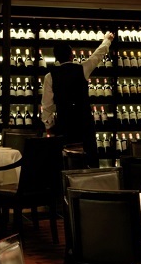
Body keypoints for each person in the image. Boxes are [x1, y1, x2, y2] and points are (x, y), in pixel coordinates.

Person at [41, 31, 114, 165]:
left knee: (67, 158)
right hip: (84, 121)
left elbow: (47, 105)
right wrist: (107, 40)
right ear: (71, 55)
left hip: (64, 122)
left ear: (56, 57)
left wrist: (49, 125)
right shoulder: (82, 68)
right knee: (88, 157)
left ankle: (67, 182)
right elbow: (98, 55)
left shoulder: (50, 76)